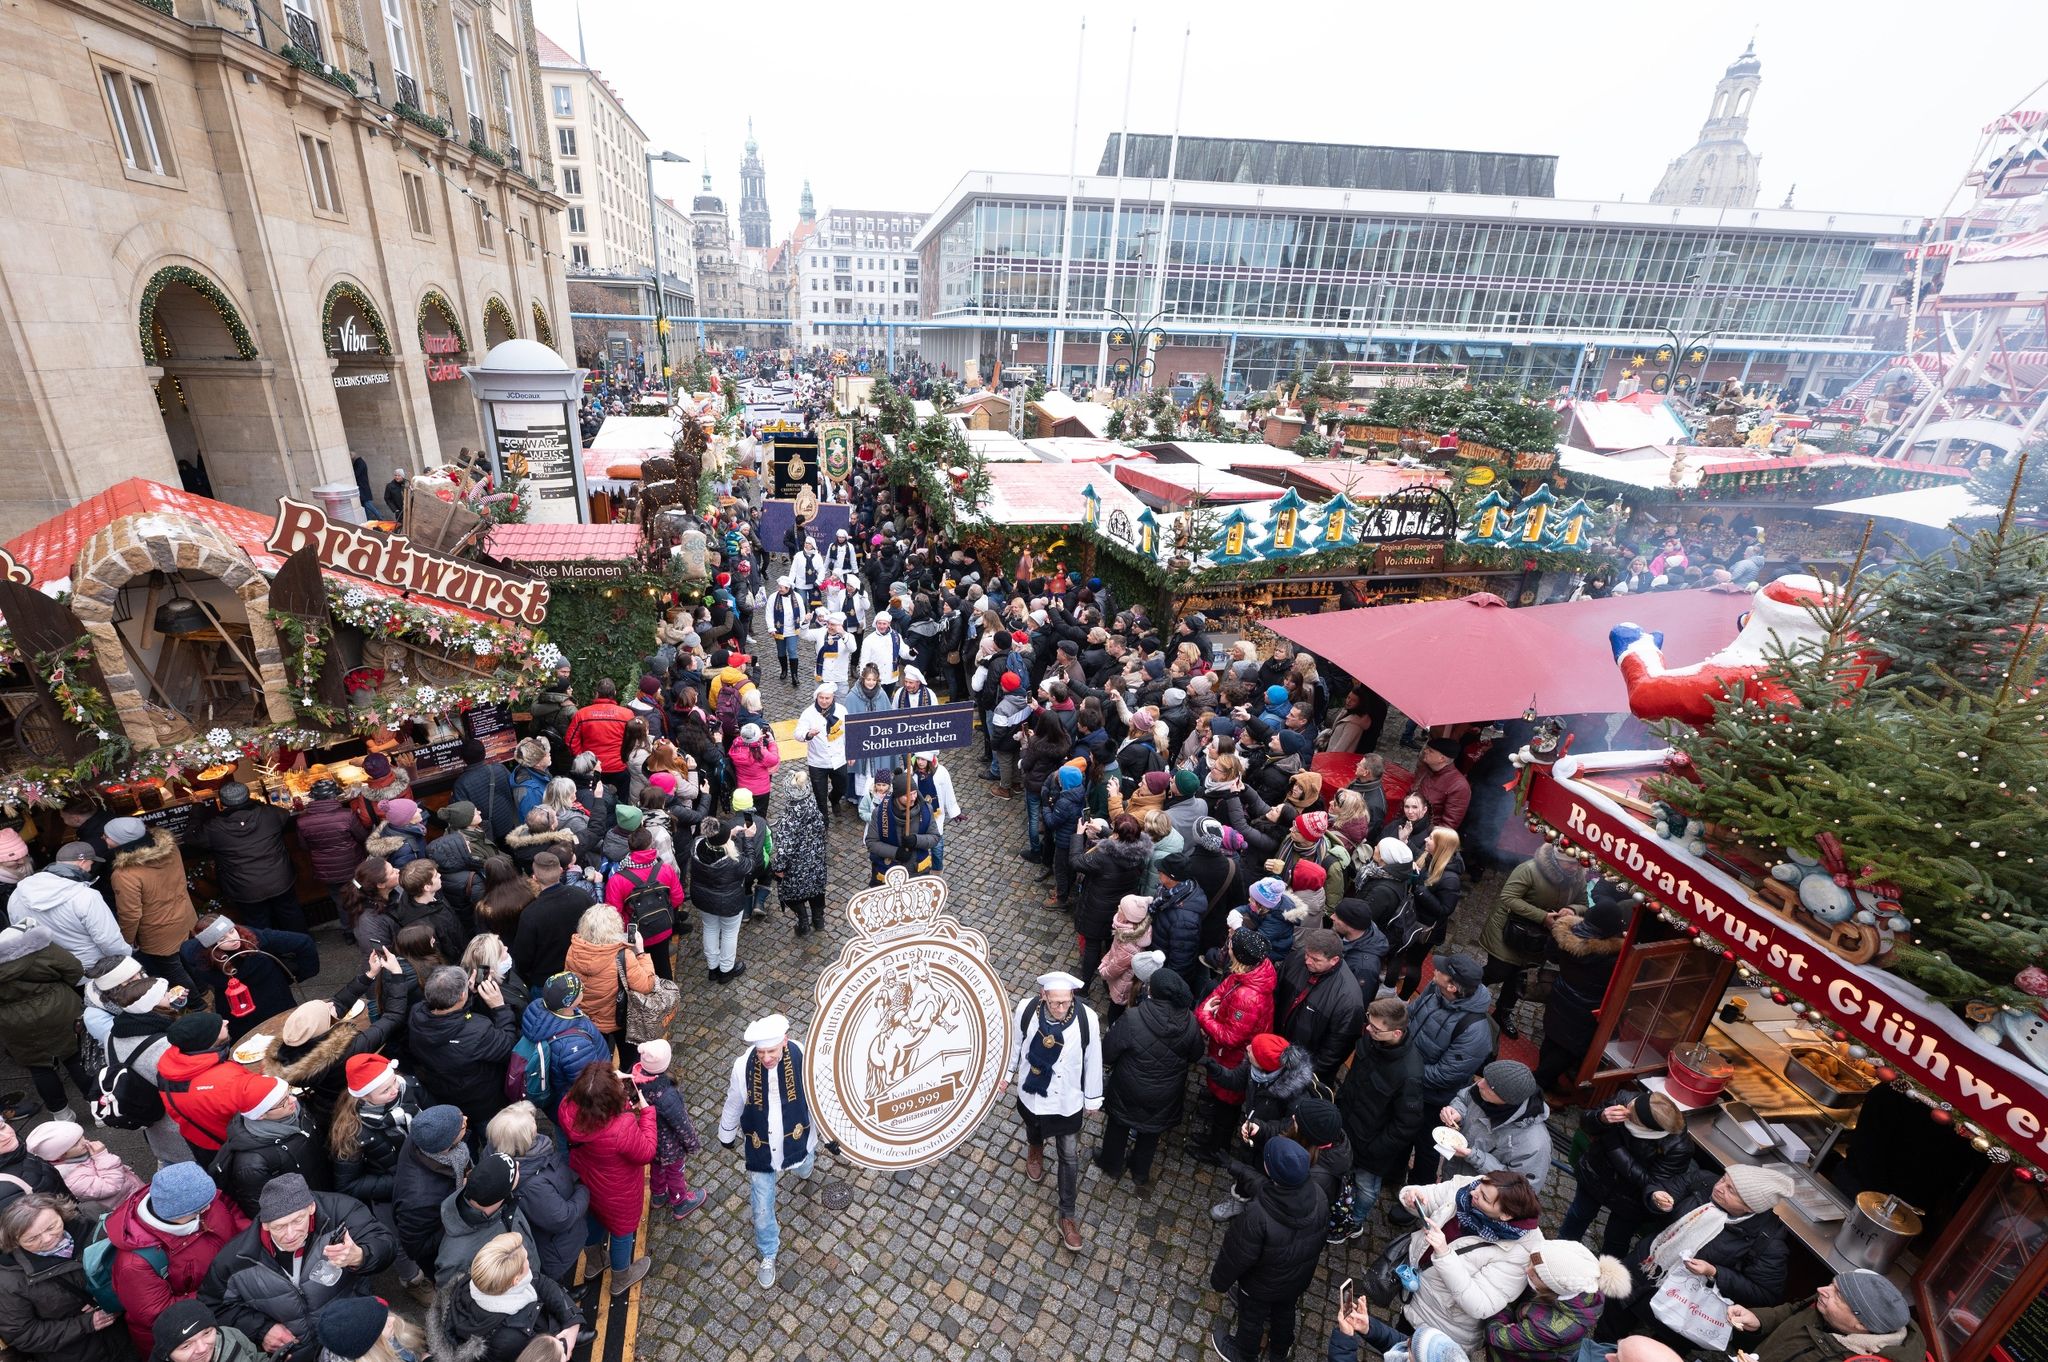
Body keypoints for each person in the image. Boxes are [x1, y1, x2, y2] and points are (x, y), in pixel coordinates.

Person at [198, 1173, 395, 1357]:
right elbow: (212, 1308)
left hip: (352, 1333)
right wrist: (262, 1329)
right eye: (279, 1227)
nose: (291, 1234)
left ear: (311, 1208)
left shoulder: (341, 1211)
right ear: (264, 1224)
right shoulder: (235, 1259)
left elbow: (385, 1243)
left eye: (297, 1220)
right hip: (299, 1353)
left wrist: (360, 1256)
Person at [1001, 971, 1103, 1251]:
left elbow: (1093, 1057)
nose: (1061, 1009)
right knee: (1032, 1126)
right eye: (1055, 1003)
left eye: (1066, 1003)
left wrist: (1092, 1097)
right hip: (1033, 1094)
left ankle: (1067, 1215)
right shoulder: (1025, 1009)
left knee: (1069, 1156)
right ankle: (1035, 1149)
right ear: (1043, 996)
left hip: (1066, 1101)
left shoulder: (1087, 1019)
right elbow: (1016, 1045)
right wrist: (1007, 1073)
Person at [1390, 1171, 1545, 1354]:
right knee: (1397, 1349)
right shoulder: (1473, 1187)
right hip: (1415, 1297)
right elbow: (1430, 1196)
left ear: (1505, 1215)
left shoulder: (1521, 1253)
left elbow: (1481, 1305)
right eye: (1479, 1186)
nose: (1474, 1192)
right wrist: (1413, 1196)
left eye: (1485, 1198)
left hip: (1442, 1325)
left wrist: (1444, 1254)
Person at [717, 1013, 818, 1290]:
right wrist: (726, 1133)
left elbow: (818, 1097)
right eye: (761, 1052)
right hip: (761, 1148)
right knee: (761, 1207)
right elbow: (734, 1100)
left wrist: (832, 1133)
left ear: (784, 1042)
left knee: (803, 1166)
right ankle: (768, 1252)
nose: (765, 1058)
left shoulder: (803, 1057)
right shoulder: (742, 1066)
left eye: (771, 1051)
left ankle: (806, 1163)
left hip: (798, 1140)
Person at [1624, 1164, 1795, 1329]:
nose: (1719, 1187)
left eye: (1731, 1190)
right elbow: (1662, 1187)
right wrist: (1656, 1198)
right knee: (1612, 1320)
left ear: (1749, 1207)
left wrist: (1714, 1272)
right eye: (1723, 1179)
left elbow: (1765, 1293)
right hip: (1642, 1266)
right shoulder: (1703, 1181)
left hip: (1682, 1305)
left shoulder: (1768, 1241)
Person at [1206, 1137, 1329, 1362]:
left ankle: (1244, 1353)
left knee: (1251, 1317)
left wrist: (1219, 1282)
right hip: (1296, 1280)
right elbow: (1264, 1186)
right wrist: (1236, 1167)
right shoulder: (1319, 1196)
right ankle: (1280, 1350)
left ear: (1268, 1169)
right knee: (1285, 1311)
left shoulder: (1257, 1216)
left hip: (1259, 1286)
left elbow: (1236, 1255)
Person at [105, 1163, 249, 1356]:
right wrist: (226, 1288)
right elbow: (160, 1314)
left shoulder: (200, 1199)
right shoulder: (135, 1264)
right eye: (200, 1208)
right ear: (176, 1213)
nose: (209, 1206)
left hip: (224, 1307)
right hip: (187, 1341)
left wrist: (254, 1243)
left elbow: (232, 1214)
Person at [328, 1053, 433, 1298]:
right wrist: (401, 1182)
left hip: (431, 1175)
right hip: (391, 1197)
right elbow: (349, 1185)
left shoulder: (409, 1087)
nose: (395, 1089)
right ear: (364, 1095)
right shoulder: (351, 1132)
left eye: (393, 1081)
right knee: (399, 1243)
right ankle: (414, 1281)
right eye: (385, 1089)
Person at [1096, 965, 1203, 1192]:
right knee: (1151, 1131)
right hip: (1166, 1092)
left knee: (1118, 1126)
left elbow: (1108, 1052)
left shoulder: (1133, 1018)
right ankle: (1140, 1171)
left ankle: (1111, 1164)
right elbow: (1196, 1055)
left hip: (1128, 1087)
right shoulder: (1191, 1022)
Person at [1400, 952, 1496, 1201]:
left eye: (1441, 970)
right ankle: (1394, 1172)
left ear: (1452, 986)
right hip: (1407, 1079)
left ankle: (1419, 1194)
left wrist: (1403, 1070)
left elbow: (1445, 1075)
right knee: (1400, 1129)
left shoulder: (1474, 1031)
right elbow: (1411, 1014)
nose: (1434, 970)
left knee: (1425, 1148)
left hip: (1433, 1098)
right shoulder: (1435, 988)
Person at [1332, 996, 1430, 1242]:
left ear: (1396, 1032)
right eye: (1369, 1023)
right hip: (1348, 1126)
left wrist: (1375, 1148)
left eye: (1376, 1028)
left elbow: (1407, 1123)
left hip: (1373, 1145)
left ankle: (1353, 1223)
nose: (1368, 1029)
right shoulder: (1371, 1040)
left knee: (1366, 1188)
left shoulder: (1410, 1073)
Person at [557, 1062, 655, 1295]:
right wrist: (647, 1113)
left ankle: (594, 1262)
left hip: (586, 1180)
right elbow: (647, 1151)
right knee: (622, 1232)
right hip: (617, 1190)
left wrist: (608, 1082)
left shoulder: (567, 1107)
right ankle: (621, 1277)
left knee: (593, 1219)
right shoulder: (621, 1126)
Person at [0, 1191, 129, 1362]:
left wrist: (110, 1297)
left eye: (52, 1227)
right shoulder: (9, 1280)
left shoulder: (93, 1216)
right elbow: (22, 1334)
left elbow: (132, 1258)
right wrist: (87, 1323)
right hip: (78, 1353)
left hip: (128, 1333)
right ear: (14, 1240)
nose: (47, 1239)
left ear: (61, 1213)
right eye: (32, 1238)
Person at [1557, 1090, 1690, 1252]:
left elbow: (1652, 1182)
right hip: (1596, 1175)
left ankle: (1608, 1273)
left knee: (1616, 1240)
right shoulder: (1624, 1099)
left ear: (1646, 1127)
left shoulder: (1678, 1147)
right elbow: (1586, 1123)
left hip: (1631, 1199)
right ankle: (1559, 1251)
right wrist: (1600, 1118)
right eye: (1631, 1104)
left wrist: (1614, 1147)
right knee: (1579, 1215)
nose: (1625, 1109)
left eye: (1631, 1115)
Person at [1190, 928, 1278, 1162]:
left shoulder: (1248, 996)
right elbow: (1220, 992)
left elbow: (1231, 1037)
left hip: (1233, 1059)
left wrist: (1205, 1016)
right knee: (1221, 1102)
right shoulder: (1249, 974)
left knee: (1226, 1107)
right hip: (1228, 1056)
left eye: (1230, 946)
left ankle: (1217, 1149)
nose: (1227, 948)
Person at [427, 1231, 584, 1362]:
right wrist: (562, 1346)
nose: (528, 1262)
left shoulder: (476, 1282)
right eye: (526, 1260)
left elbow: (540, 1282)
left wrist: (571, 1320)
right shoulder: (509, 1338)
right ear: (516, 1280)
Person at [1536, 881, 1631, 1093]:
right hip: (1586, 1009)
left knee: (1552, 1036)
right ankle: (1541, 1082)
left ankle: (1545, 1078)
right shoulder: (1612, 956)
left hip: (1561, 994)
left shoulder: (1565, 933)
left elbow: (1551, 954)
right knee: (1570, 1049)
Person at [1483, 845, 1585, 1040]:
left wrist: (1572, 910)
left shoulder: (1577, 877)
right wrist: (1542, 916)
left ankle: (1502, 1013)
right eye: (1570, 863)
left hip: (1539, 939)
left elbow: (1584, 904)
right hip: (1509, 931)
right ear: (1556, 859)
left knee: (1521, 977)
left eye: (1577, 864)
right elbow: (1508, 897)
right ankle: (1466, 989)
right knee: (1498, 971)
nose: (1575, 868)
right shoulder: (1529, 869)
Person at [406, 965, 519, 1135]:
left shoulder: (417, 1014)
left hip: (444, 1093)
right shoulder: (477, 1031)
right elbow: (508, 1046)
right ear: (462, 995)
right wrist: (500, 1008)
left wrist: (469, 997)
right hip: (482, 1102)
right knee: (491, 1137)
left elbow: (451, 1018)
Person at [487, 1101, 589, 1288]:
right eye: (531, 1127)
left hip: (554, 1239)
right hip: (556, 1249)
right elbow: (561, 1218)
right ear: (523, 1140)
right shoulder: (532, 1186)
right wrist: (584, 1191)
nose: (536, 1125)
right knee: (555, 1284)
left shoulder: (500, 1150)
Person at [0, 922, 92, 1122]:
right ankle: (97, 1106)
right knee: (76, 1056)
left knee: (39, 1067)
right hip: (59, 1009)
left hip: (14, 1021)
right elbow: (74, 970)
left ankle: (61, 1114)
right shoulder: (40, 947)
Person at [1725, 1270, 1923, 1362]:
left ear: (1861, 1323)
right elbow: (1791, 1311)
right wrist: (1759, 1320)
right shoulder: (1823, 1305)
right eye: (1832, 1284)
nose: (1822, 1290)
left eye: (1837, 1294)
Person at [180, 913, 321, 1041]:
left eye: (231, 930)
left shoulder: (253, 937)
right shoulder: (198, 955)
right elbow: (186, 952)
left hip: (272, 992)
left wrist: (299, 975)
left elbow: (303, 942)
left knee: (286, 1030)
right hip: (234, 1004)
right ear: (211, 945)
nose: (233, 938)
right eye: (223, 938)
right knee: (246, 1038)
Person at [1482, 1241, 1631, 1362]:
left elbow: (1497, 1336)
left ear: (1554, 1288)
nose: (1527, 1271)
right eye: (1530, 1264)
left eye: (1537, 1274)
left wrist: (1503, 1299)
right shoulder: (1586, 1282)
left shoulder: (1552, 1329)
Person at [155, 1011, 277, 1157]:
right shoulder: (226, 1081)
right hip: (235, 1145)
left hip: (202, 1142)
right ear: (208, 1040)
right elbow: (270, 1098)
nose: (226, 1021)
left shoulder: (167, 1069)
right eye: (219, 1026)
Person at [187, 784, 304, 932]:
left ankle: (265, 954)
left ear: (221, 803)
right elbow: (285, 814)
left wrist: (197, 807)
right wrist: (256, 803)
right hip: (280, 879)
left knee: (258, 925)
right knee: (291, 914)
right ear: (248, 797)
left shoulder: (214, 827)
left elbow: (191, 837)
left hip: (244, 887)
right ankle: (301, 949)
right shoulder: (269, 814)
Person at [210, 1078, 332, 1217]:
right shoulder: (251, 1164)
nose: (293, 1099)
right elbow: (262, 1211)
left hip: (325, 1184)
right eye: (283, 1101)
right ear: (261, 1115)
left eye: (289, 1093)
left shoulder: (295, 1109)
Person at [105, 816, 199, 989]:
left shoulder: (124, 874)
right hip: (186, 918)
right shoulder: (171, 850)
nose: (103, 838)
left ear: (121, 841)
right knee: (192, 959)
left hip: (158, 931)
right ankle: (204, 990)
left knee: (174, 970)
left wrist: (127, 940)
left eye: (107, 835)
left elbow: (130, 914)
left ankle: (196, 1004)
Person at [7, 839, 129, 972]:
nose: (91, 868)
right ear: (82, 862)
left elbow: (22, 937)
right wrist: (127, 960)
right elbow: (109, 941)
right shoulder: (86, 895)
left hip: (55, 972)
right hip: (95, 970)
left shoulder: (17, 895)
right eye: (91, 863)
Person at [1271, 927, 1367, 1086]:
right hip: (1276, 1047)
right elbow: (1277, 993)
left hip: (1302, 1072)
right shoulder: (1298, 958)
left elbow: (1335, 1051)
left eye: (1315, 959)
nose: (1307, 961)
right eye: (1307, 954)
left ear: (1334, 960)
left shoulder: (1348, 1000)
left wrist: (1303, 1075)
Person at [1438, 1061, 1554, 1191]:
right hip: (1451, 1179)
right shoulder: (1485, 1089)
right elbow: (1463, 1098)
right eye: (1485, 1077)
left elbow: (1521, 1190)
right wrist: (1457, 1111)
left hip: (1477, 1200)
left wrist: (1475, 1157)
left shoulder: (1534, 1145)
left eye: (1489, 1085)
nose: (1480, 1083)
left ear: (1507, 1099)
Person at [564, 904, 656, 1060]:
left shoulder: (573, 950)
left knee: (601, 1060)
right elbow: (646, 985)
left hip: (588, 1020)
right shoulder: (623, 955)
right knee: (629, 1058)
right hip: (618, 1020)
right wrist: (640, 952)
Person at [432, 1152, 539, 1285]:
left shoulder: (506, 1202)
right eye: (514, 1171)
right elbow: (449, 1297)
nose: (517, 1164)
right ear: (502, 1192)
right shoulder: (456, 1257)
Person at [628, 1038, 706, 1219]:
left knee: (657, 1168)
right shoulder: (667, 1094)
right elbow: (681, 1123)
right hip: (670, 1145)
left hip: (651, 1138)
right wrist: (692, 1143)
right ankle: (680, 1202)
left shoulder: (636, 1079)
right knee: (675, 1172)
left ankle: (658, 1195)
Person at [1072, 816, 1153, 987]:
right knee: (1110, 944)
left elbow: (1076, 861)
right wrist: (1103, 832)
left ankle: (1084, 985)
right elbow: (1124, 842)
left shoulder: (1103, 857)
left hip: (1097, 907)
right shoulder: (1140, 852)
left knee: (1092, 946)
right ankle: (1106, 981)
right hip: (1120, 910)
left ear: (1116, 834)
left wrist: (1079, 835)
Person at [604, 829, 682, 980]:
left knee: (639, 974)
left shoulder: (617, 879)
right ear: (651, 844)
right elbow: (677, 898)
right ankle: (668, 997)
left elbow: (613, 915)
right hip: (662, 927)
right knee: (663, 967)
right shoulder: (665, 869)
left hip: (636, 935)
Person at [294, 783, 369, 940]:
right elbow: (362, 837)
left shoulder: (302, 821)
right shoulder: (346, 815)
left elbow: (303, 846)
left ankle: (349, 932)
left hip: (326, 870)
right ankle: (367, 930)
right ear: (334, 796)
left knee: (339, 900)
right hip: (352, 866)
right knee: (361, 895)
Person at [510, 853, 596, 983]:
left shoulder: (530, 914)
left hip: (546, 981)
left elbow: (523, 959)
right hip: (583, 972)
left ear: (534, 878)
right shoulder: (582, 896)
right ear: (561, 871)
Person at [691, 818, 752, 982]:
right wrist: (748, 839)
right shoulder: (733, 861)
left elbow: (714, 843)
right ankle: (726, 970)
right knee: (730, 933)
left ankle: (713, 967)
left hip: (704, 899)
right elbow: (750, 864)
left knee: (710, 929)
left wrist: (728, 835)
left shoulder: (696, 845)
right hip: (729, 903)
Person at [772, 764, 830, 937]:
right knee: (816, 890)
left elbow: (785, 848)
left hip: (797, 867)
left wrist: (779, 868)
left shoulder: (790, 818)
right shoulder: (814, 807)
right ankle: (819, 920)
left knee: (792, 895)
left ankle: (803, 922)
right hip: (816, 861)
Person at [566, 679, 635, 800]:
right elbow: (633, 741)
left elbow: (571, 741)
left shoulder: (582, 714)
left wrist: (584, 760)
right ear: (614, 692)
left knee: (592, 803)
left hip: (591, 768)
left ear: (597, 693)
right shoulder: (627, 714)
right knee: (622, 806)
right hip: (619, 767)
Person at [792, 683, 850, 818]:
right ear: (817, 697)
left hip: (839, 759)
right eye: (821, 698)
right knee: (820, 796)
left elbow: (850, 733)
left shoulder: (841, 710)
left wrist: (851, 753)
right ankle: (823, 823)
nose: (824, 701)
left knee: (842, 787)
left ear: (833, 698)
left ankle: (834, 799)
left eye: (827, 698)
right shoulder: (808, 713)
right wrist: (808, 734)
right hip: (817, 762)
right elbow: (798, 733)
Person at [312, 1296, 427, 1362]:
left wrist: (424, 1357)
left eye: (386, 1316)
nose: (392, 1320)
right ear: (370, 1347)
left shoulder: (386, 1337)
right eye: (382, 1325)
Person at [149, 1299, 265, 1362]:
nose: (203, 1349)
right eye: (186, 1346)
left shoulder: (230, 1335)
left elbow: (257, 1357)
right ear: (167, 1354)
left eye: (207, 1333)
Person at [452, 738, 519, 842]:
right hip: (508, 823)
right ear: (485, 752)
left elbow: (463, 815)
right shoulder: (500, 768)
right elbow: (514, 791)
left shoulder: (461, 784)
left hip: (486, 834)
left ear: (463, 759)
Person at [1412, 737, 1471, 831]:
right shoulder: (1426, 769)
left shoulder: (1459, 786)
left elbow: (1448, 826)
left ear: (1441, 759)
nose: (1425, 751)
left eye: (1430, 751)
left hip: (1424, 835)